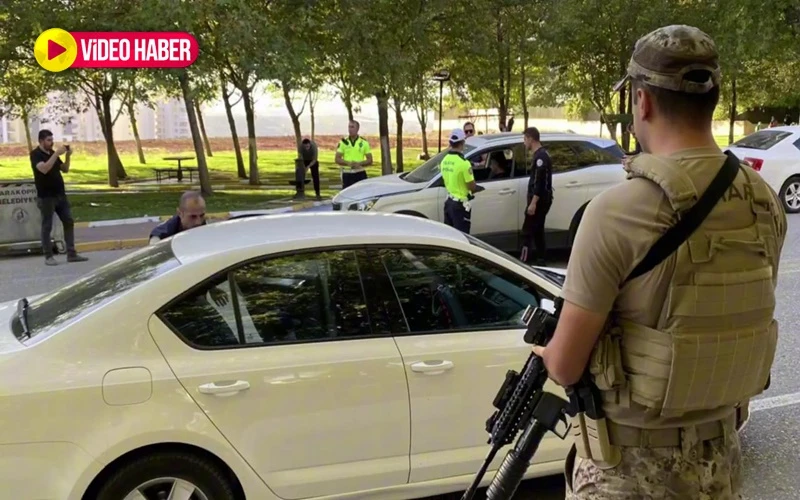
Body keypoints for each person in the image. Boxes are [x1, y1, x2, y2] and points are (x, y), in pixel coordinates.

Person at [531, 25, 786, 499]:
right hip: (720, 466)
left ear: (642, 101)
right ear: (713, 99)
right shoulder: (763, 202)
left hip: (629, 473)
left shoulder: (616, 212)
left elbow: (565, 366)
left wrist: (548, 355)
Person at [30, 129, 87, 266]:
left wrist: (68, 156)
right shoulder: (35, 154)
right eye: (48, 140)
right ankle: (48, 256)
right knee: (47, 226)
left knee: (68, 221)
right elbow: (44, 169)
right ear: (41, 141)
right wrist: (56, 154)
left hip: (60, 194)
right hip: (46, 196)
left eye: (52, 140)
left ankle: (71, 253)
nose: (51, 143)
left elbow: (64, 169)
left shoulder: (52, 153)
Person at [520, 127, 553, 265]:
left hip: (538, 201)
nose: (524, 143)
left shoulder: (541, 157)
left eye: (525, 139)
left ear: (530, 139)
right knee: (538, 231)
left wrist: (533, 203)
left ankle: (523, 263)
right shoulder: (540, 155)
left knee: (527, 232)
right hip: (540, 200)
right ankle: (541, 260)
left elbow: (539, 182)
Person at [441, 128, 480, 233]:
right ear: (462, 142)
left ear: (450, 142)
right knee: (462, 236)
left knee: (450, 236)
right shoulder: (464, 163)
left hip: (449, 203)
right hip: (460, 206)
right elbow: (471, 186)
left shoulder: (444, 160)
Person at [335, 120, 373, 189]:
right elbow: (337, 159)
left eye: (352, 127)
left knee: (361, 193)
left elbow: (370, 160)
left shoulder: (364, 142)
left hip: (360, 173)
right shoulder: (343, 142)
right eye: (349, 127)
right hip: (347, 173)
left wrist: (359, 163)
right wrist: (348, 163)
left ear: (357, 129)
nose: (350, 129)